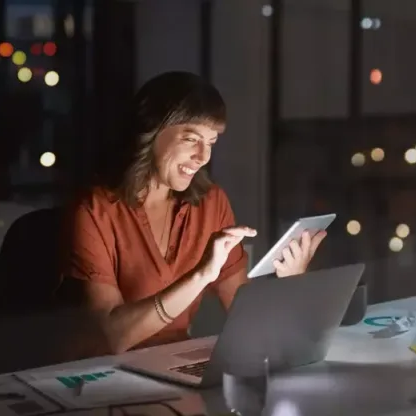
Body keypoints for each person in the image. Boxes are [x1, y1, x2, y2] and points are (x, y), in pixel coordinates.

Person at [56, 71, 326, 358]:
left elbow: (250, 321)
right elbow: (110, 339)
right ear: (151, 132)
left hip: (173, 364)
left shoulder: (211, 203)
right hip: (103, 378)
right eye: (190, 139)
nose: (202, 156)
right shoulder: (94, 209)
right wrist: (201, 275)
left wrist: (292, 283)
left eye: (210, 142)